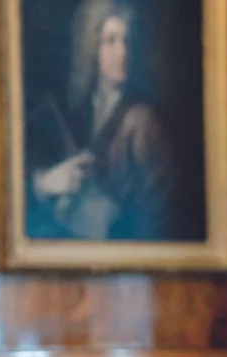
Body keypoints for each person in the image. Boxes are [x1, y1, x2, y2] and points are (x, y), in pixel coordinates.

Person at [25, 0, 181, 241]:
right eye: (110, 41)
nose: (122, 52)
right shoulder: (77, 109)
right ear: (92, 47)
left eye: (127, 40)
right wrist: (48, 182)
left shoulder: (143, 121)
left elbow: (156, 217)